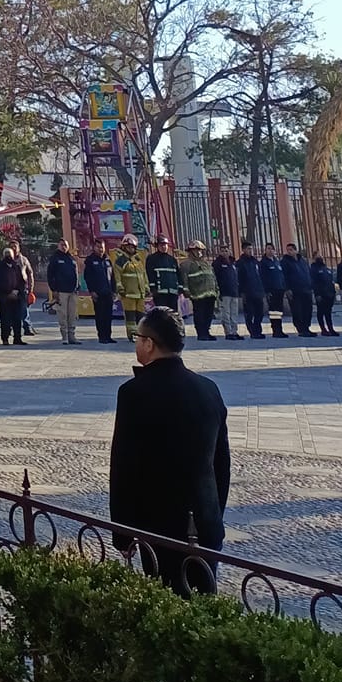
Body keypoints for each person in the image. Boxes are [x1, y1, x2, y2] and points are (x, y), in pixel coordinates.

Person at [108, 305, 230, 596]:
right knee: (205, 599)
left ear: (149, 344)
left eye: (137, 337)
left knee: (167, 600)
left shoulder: (133, 393)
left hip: (158, 523)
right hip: (205, 519)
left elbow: (124, 466)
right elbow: (221, 463)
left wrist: (122, 534)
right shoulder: (208, 388)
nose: (136, 343)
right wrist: (215, 513)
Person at [112, 236, 148, 340]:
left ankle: (141, 334)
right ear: (124, 247)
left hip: (140, 294)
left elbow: (143, 275)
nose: (130, 249)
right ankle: (132, 334)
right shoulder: (121, 260)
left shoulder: (137, 260)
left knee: (140, 315)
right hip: (128, 294)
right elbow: (117, 276)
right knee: (130, 316)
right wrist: (120, 288)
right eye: (128, 247)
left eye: (132, 247)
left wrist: (146, 287)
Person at [180, 243, 219, 342]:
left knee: (208, 314)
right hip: (197, 294)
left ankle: (206, 331)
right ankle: (201, 333)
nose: (199, 252)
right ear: (191, 251)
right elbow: (184, 278)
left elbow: (213, 277)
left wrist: (216, 289)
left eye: (200, 250)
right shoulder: (186, 264)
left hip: (210, 293)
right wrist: (186, 290)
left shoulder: (206, 263)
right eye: (196, 250)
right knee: (199, 314)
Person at [0, 243, 27, 347]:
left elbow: (21, 281)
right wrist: (8, 292)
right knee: (5, 319)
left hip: (17, 297)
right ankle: (5, 338)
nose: (8, 256)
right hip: (4, 297)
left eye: (10, 254)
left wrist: (17, 291)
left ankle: (17, 338)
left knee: (17, 319)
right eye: (6, 254)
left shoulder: (16, 266)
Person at [46, 241, 80, 345]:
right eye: (62, 245)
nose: (64, 247)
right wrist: (54, 290)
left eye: (66, 245)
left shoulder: (71, 258)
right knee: (63, 315)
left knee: (72, 315)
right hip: (61, 292)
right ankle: (64, 337)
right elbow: (50, 275)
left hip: (72, 291)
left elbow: (76, 273)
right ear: (58, 246)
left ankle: (72, 336)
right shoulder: (55, 258)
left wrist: (77, 287)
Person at [83, 241, 117, 343]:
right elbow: (87, 277)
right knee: (100, 316)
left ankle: (108, 336)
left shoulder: (107, 260)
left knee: (108, 316)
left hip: (108, 293)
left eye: (102, 247)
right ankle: (102, 336)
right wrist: (92, 291)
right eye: (98, 247)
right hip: (98, 293)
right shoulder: (90, 260)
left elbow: (113, 277)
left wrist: (114, 291)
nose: (101, 249)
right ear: (94, 247)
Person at [281, 244, 314, 336]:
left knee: (307, 309)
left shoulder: (302, 260)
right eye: (288, 250)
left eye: (291, 250)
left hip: (306, 289)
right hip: (294, 290)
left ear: (296, 250)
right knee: (297, 310)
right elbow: (284, 276)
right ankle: (301, 329)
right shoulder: (285, 262)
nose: (289, 252)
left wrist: (311, 285)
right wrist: (287, 288)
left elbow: (308, 273)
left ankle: (306, 328)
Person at [144, 236, 181, 312]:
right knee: (162, 314)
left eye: (166, 245)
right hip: (159, 293)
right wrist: (153, 289)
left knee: (173, 315)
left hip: (173, 293)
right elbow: (150, 274)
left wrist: (180, 288)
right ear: (157, 246)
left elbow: (178, 275)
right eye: (162, 245)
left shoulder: (172, 259)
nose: (164, 247)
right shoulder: (152, 259)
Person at [236, 245, 267, 338]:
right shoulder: (240, 263)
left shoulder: (255, 262)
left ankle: (258, 330)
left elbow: (261, 276)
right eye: (248, 249)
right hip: (247, 292)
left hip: (258, 291)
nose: (250, 250)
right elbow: (239, 278)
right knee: (249, 313)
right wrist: (242, 292)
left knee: (260, 313)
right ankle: (252, 331)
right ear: (243, 250)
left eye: (251, 248)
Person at [258, 246, 287, 337]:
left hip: (280, 290)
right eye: (268, 249)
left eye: (272, 249)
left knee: (279, 311)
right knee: (273, 311)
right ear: (265, 250)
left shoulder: (277, 262)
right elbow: (263, 278)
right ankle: (275, 330)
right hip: (271, 291)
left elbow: (282, 276)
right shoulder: (263, 263)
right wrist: (266, 291)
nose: (270, 250)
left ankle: (280, 329)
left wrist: (284, 287)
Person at [211, 250, 240, 340]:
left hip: (234, 292)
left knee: (234, 313)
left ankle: (234, 331)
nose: (224, 253)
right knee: (226, 313)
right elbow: (215, 278)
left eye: (226, 251)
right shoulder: (217, 263)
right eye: (222, 251)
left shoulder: (233, 263)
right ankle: (228, 332)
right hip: (224, 293)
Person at [311, 253, 338, 336]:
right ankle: (323, 329)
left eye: (321, 256)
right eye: (318, 256)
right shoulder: (313, 269)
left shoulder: (326, 268)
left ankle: (331, 329)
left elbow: (331, 281)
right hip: (321, 295)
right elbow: (314, 283)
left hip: (329, 294)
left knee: (328, 313)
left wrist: (333, 292)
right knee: (321, 312)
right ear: (314, 258)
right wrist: (317, 294)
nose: (320, 257)